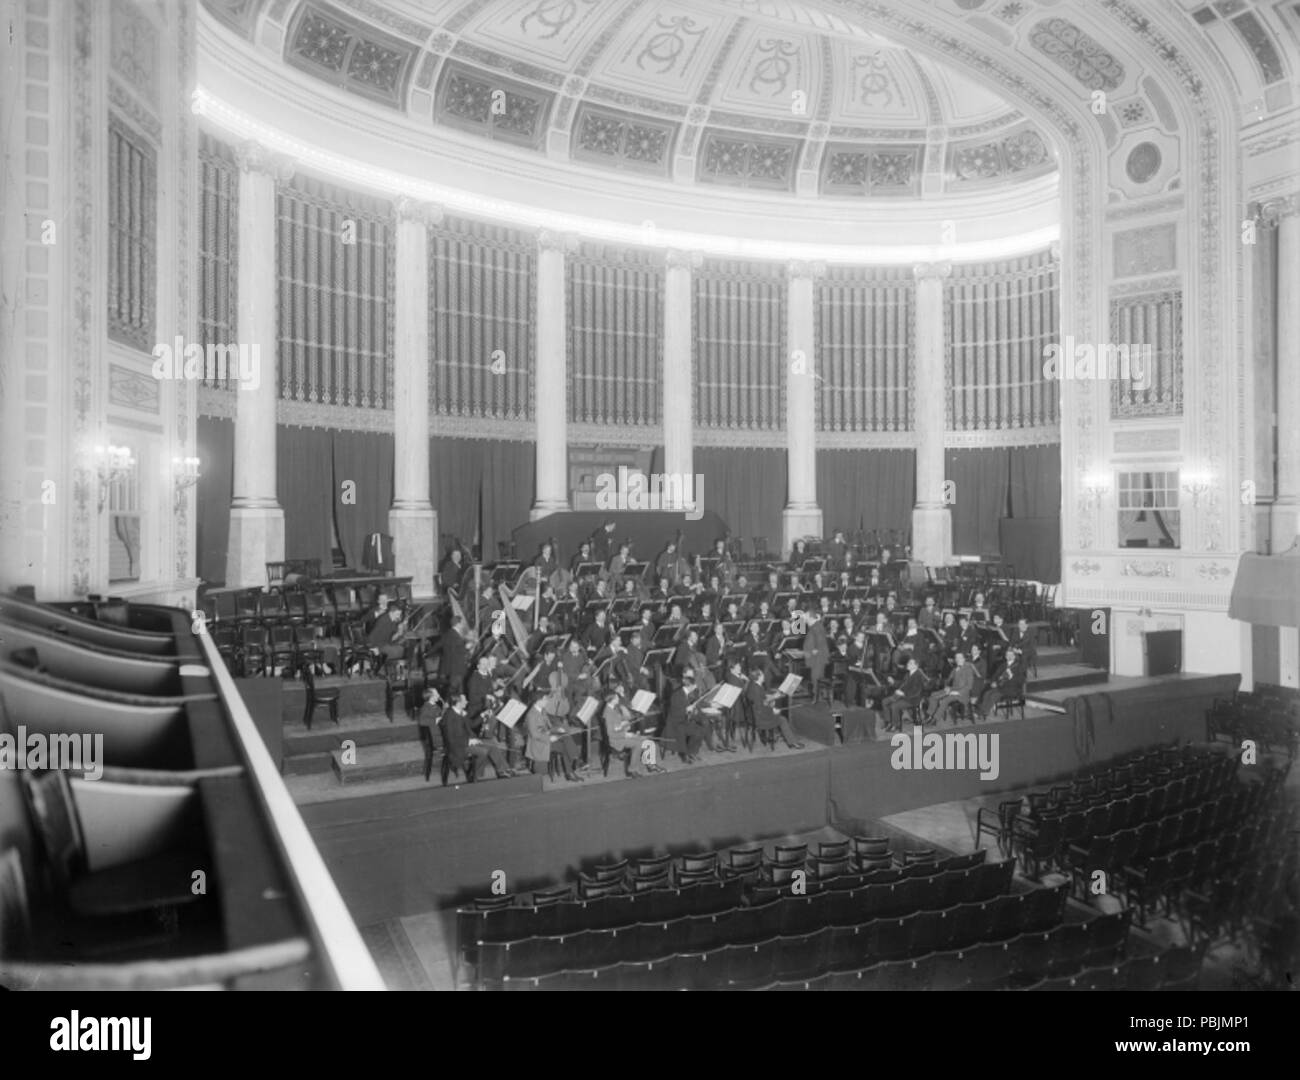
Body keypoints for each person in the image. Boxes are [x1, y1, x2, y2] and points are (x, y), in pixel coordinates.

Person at [440, 691, 515, 781]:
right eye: (465, 700)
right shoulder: (449, 716)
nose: (467, 701)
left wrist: (483, 714)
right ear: (458, 702)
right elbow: (451, 738)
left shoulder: (460, 712)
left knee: (491, 744)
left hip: (467, 741)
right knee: (483, 751)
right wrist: (469, 741)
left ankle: (503, 770)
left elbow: (471, 724)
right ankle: (474, 774)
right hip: (458, 746)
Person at [524, 676, 584, 782]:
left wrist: (558, 729)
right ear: (539, 701)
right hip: (540, 743)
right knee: (563, 746)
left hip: (547, 737)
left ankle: (574, 761)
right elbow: (534, 735)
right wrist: (550, 738)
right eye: (546, 699)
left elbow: (549, 727)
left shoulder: (542, 710)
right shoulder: (531, 715)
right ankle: (572, 767)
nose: (547, 701)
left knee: (566, 736)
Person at [745, 666, 804, 750]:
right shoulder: (757, 689)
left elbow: (761, 700)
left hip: (753, 715)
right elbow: (761, 707)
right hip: (760, 718)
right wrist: (773, 710)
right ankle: (792, 742)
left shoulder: (753, 685)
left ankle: (778, 734)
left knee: (775, 703)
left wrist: (773, 696)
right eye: (762, 674)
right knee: (782, 719)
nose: (764, 675)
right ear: (758, 677)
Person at [930, 651, 978, 725]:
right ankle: (930, 716)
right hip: (952, 690)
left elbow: (969, 686)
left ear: (964, 659)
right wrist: (947, 687)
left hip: (962, 694)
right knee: (933, 695)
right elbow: (948, 680)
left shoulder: (968, 669)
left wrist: (958, 692)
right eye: (956, 658)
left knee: (945, 700)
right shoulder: (955, 669)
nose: (958, 659)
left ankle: (935, 719)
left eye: (960, 658)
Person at [882, 656, 927, 733]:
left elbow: (916, 692)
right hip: (903, 696)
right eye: (908, 663)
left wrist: (903, 693)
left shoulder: (919, 675)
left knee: (894, 705)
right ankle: (889, 722)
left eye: (910, 663)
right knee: (884, 701)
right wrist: (893, 682)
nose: (908, 664)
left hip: (912, 699)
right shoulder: (908, 674)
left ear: (916, 665)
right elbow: (902, 684)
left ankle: (896, 725)